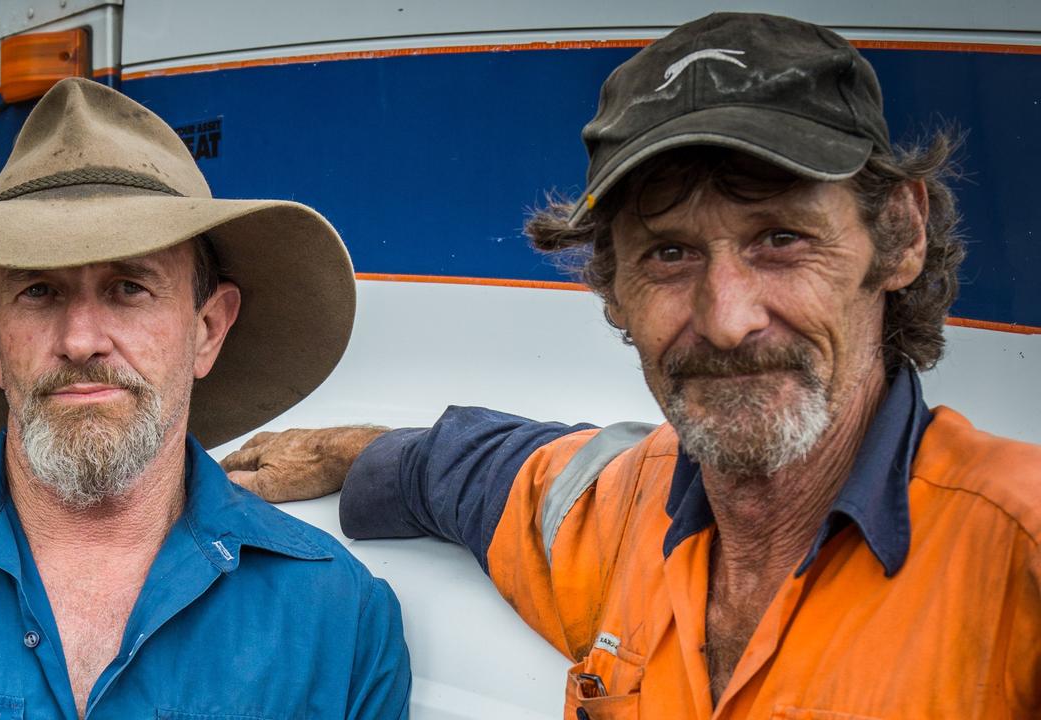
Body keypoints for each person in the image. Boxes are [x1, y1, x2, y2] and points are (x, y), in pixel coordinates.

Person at [222, 13, 1041, 719]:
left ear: (897, 236)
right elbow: (468, 471)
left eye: (781, 238)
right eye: (671, 252)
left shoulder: (1017, 555)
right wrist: (337, 451)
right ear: (612, 291)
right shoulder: (618, 510)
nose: (727, 319)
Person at [0, 78, 409, 719]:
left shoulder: (336, 619)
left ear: (208, 329)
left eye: (129, 287)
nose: (79, 340)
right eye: (38, 291)